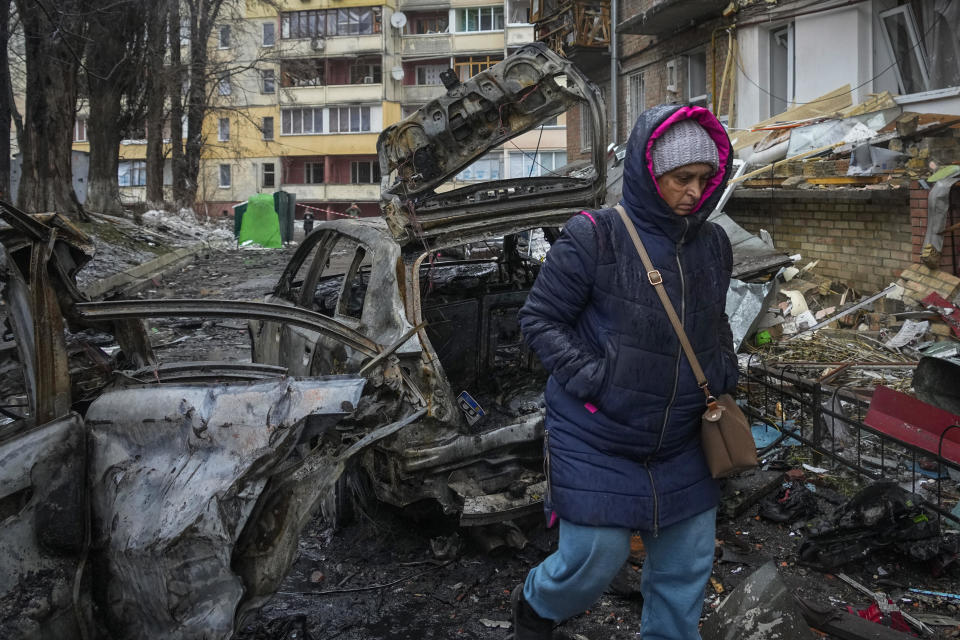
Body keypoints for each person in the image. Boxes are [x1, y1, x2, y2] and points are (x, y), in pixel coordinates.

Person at [513, 105, 739, 640]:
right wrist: (597, 382)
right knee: (594, 556)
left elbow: (716, 322)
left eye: (704, 179)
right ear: (647, 171)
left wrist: (723, 372)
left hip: (685, 437)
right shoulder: (596, 236)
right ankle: (536, 607)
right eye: (681, 178)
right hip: (599, 432)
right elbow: (540, 319)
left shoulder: (714, 245)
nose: (693, 191)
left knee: (686, 567)